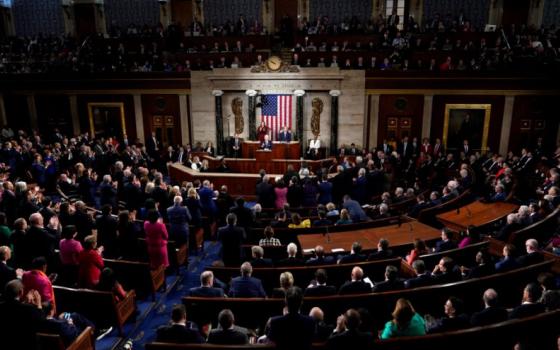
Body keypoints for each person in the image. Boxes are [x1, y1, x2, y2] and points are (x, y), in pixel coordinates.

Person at [0, 280, 46, 350]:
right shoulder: (28, 309)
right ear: (21, 292)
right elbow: (41, 323)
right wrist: (39, 304)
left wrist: (25, 302)